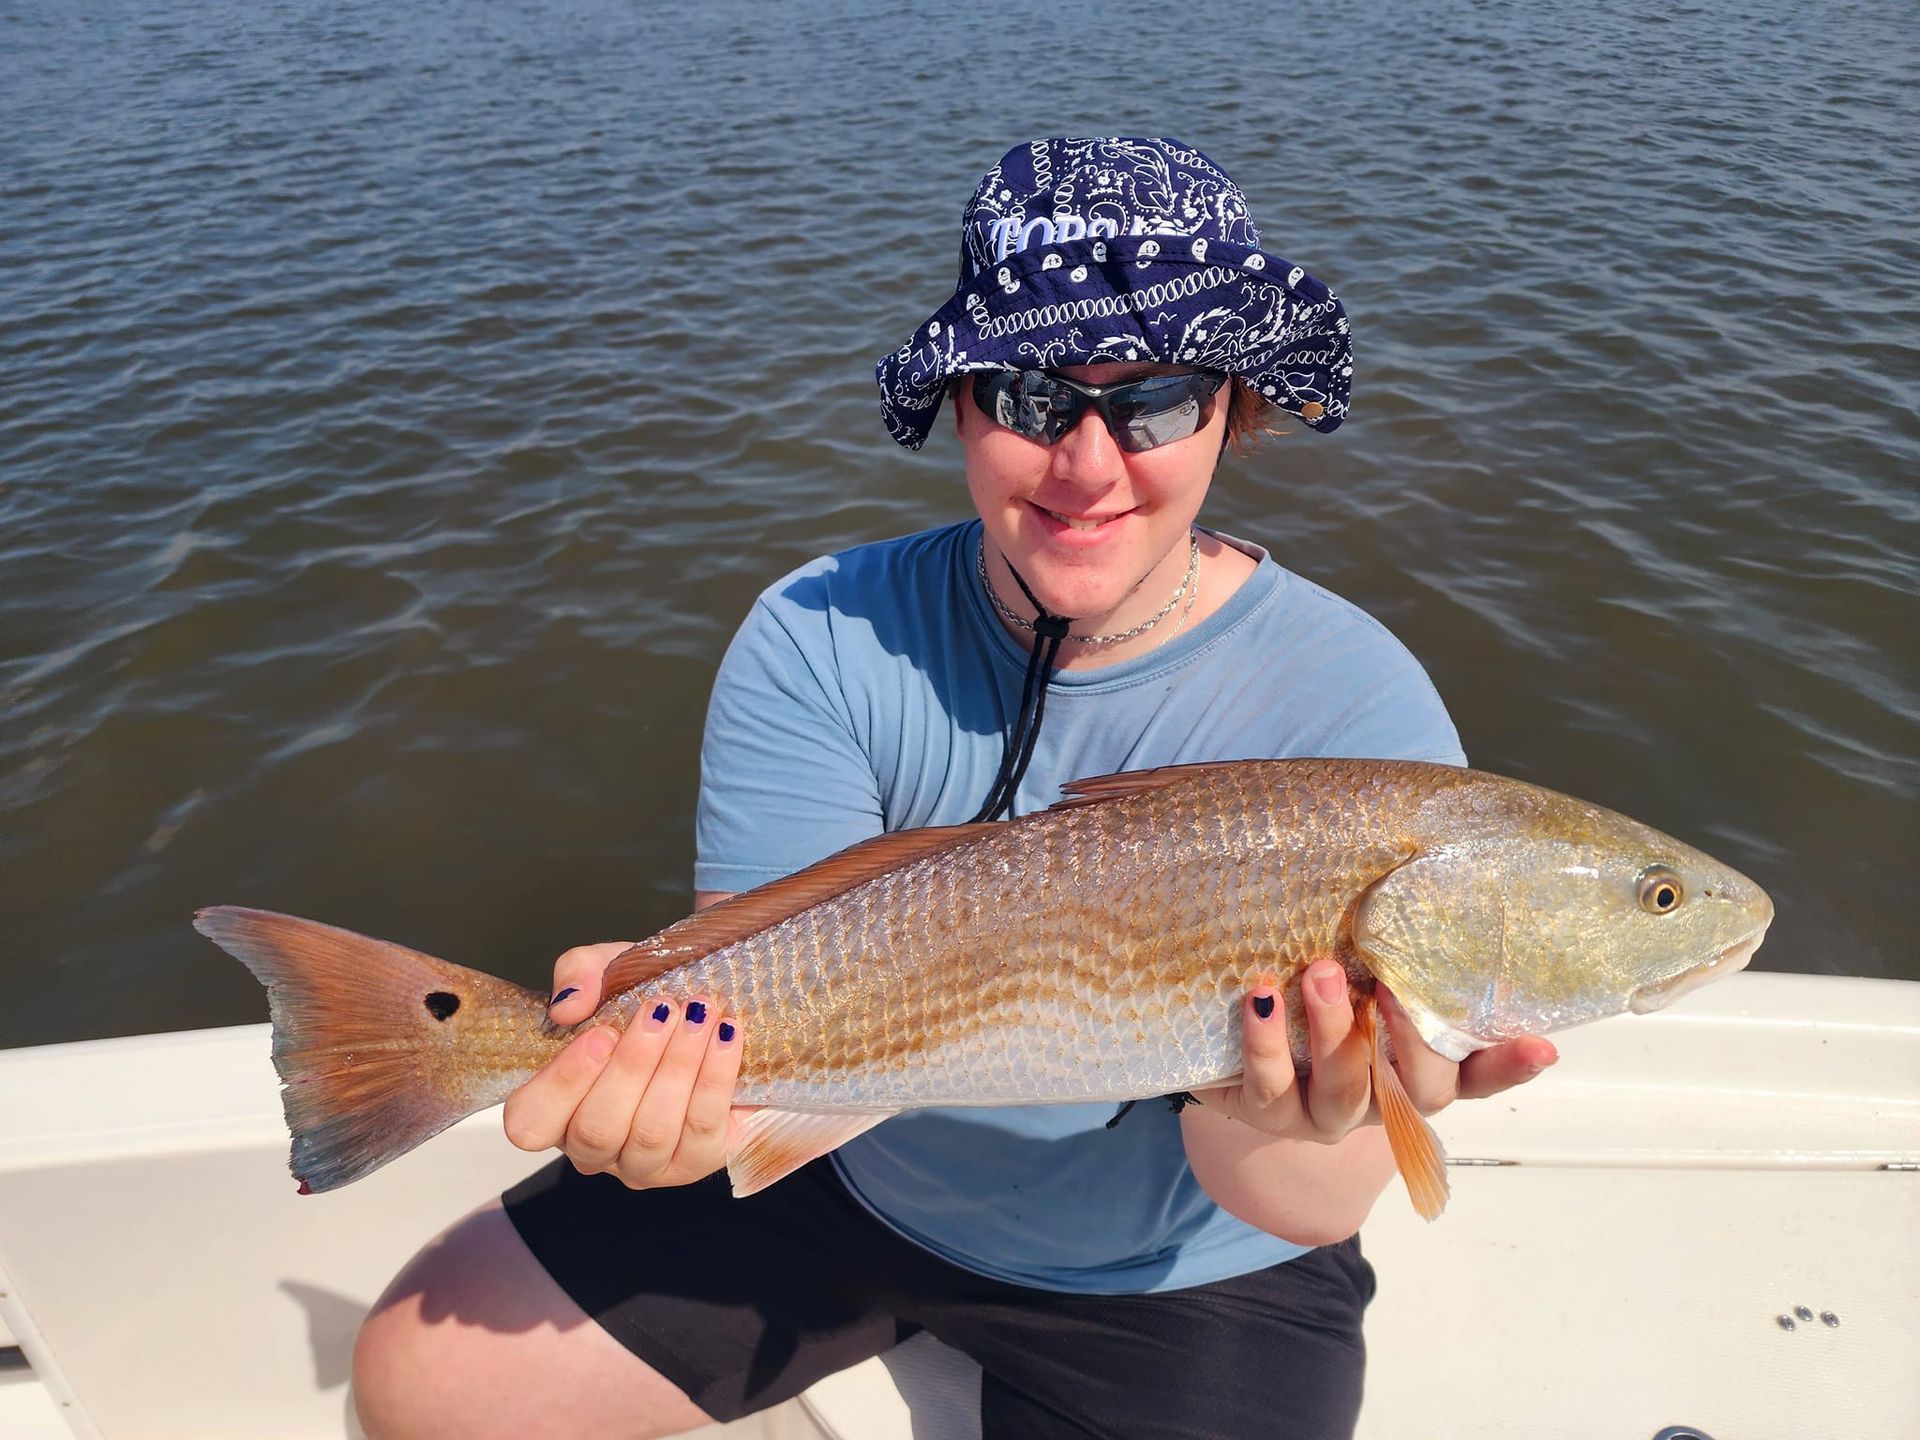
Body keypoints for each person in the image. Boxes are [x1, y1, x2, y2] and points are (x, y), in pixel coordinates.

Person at [349, 136, 1556, 1440]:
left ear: (1232, 408)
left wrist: (1291, 1120)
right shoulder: (821, 631)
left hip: (1178, 1269)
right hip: (849, 1177)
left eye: (1153, 402)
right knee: (425, 1379)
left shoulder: (1360, 716)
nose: (1088, 466)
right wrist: (670, 1106)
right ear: (965, 407)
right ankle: (415, 1059)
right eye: (1034, 399)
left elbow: (1304, 1209)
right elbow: (767, 985)